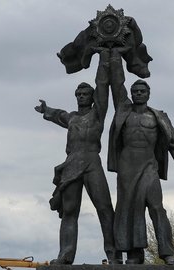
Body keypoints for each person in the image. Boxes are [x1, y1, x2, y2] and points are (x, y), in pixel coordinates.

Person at [105, 48, 174, 265]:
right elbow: (117, 83)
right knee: (127, 208)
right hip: (127, 168)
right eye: (134, 91)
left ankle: (167, 252)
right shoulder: (123, 111)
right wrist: (114, 54)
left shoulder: (158, 117)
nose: (137, 94)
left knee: (156, 207)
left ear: (148, 94)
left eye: (141, 91)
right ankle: (134, 255)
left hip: (149, 167)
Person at [34, 50, 120, 264]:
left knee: (105, 208)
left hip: (92, 162)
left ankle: (114, 254)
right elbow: (58, 114)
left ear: (92, 98)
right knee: (70, 211)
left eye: (85, 95)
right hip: (72, 164)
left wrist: (104, 59)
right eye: (78, 95)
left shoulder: (97, 114)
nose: (81, 97)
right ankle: (66, 254)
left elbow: (102, 86)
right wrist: (46, 109)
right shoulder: (71, 118)